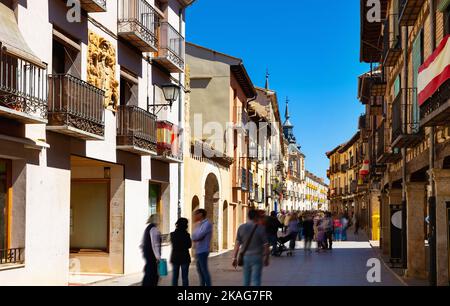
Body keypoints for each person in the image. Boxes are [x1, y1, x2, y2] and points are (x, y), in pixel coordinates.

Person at [232, 210, 270, 286]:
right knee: (256, 280)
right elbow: (266, 245)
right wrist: (266, 257)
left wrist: (234, 257)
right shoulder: (261, 228)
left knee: (246, 279)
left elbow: (237, 244)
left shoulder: (241, 227)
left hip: (245, 257)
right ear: (256, 217)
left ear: (248, 216)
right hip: (257, 257)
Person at [191, 209, 213, 286]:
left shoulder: (207, 224)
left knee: (204, 270)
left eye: (196, 214)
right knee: (200, 271)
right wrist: (195, 237)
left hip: (203, 250)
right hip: (199, 250)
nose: (195, 216)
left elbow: (198, 236)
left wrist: (195, 237)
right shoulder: (200, 224)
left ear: (201, 215)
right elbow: (194, 236)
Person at [170, 218, 192, 287]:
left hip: (175, 257)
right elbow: (189, 245)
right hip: (185, 257)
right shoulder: (187, 235)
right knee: (185, 277)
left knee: (174, 277)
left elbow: (174, 244)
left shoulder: (172, 234)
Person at [141, 214, 161, 287]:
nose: (160, 220)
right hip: (152, 255)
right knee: (152, 274)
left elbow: (143, 242)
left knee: (148, 272)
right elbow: (155, 244)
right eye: (159, 219)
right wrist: (158, 257)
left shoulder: (147, 228)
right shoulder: (154, 229)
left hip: (147, 254)